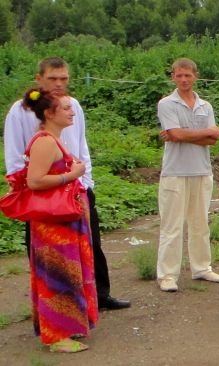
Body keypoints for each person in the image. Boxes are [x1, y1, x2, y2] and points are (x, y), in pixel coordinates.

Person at [3, 57, 130, 310]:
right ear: (39, 79)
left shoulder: (73, 106)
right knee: (45, 249)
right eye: (52, 79)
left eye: (64, 78)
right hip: (43, 190)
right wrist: (27, 188)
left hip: (78, 187)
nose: (59, 84)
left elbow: (81, 146)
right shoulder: (21, 111)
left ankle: (99, 295)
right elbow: (16, 155)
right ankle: (49, 301)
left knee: (89, 242)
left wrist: (86, 180)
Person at [18, 88, 98, 352]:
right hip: (54, 225)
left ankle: (66, 327)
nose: (72, 111)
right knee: (57, 275)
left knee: (66, 274)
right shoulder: (45, 142)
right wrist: (71, 174)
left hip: (65, 222)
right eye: (65, 108)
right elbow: (34, 181)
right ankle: (56, 336)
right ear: (50, 113)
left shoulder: (55, 139)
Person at [156, 58, 219, 292]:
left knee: (200, 223)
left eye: (187, 75)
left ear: (195, 76)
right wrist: (202, 132)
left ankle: (202, 267)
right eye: (179, 75)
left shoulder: (205, 106)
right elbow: (177, 134)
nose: (183, 80)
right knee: (171, 226)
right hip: (175, 172)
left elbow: (212, 141)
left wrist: (183, 134)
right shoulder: (167, 103)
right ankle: (167, 275)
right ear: (173, 76)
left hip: (201, 170)